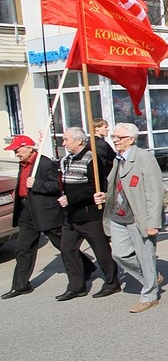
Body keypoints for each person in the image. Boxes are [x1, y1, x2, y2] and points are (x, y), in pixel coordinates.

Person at [1, 136, 93, 300]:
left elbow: (58, 186)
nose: (16, 154)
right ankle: (21, 285)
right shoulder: (23, 164)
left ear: (29, 147)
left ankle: (87, 267)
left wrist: (36, 184)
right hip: (26, 210)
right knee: (23, 249)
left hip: (45, 212)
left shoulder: (44, 163)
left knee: (63, 246)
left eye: (17, 150)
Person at [94, 123, 165, 314]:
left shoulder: (143, 158)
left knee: (145, 256)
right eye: (114, 137)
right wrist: (104, 196)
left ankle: (149, 295)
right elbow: (117, 186)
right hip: (119, 216)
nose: (115, 140)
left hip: (138, 218)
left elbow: (155, 191)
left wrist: (153, 222)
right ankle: (149, 276)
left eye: (119, 137)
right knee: (119, 254)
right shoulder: (119, 159)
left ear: (131, 139)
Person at [57, 127, 121, 300]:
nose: (63, 143)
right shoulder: (67, 159)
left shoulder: (92, 159)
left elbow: (95, 187)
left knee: (101, 251)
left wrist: (71, 198)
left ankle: (112, 282)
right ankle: (77, 286)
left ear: (79, 141)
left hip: (89, 215)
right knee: (67, 249)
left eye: (66, 139)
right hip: (71, 216)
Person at [92, 118, 116, 182]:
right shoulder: (101, 144)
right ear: (97, 129)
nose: (108, 129)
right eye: (105, 127)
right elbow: (114, 158)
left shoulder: (90, 142)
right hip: (104, 175)